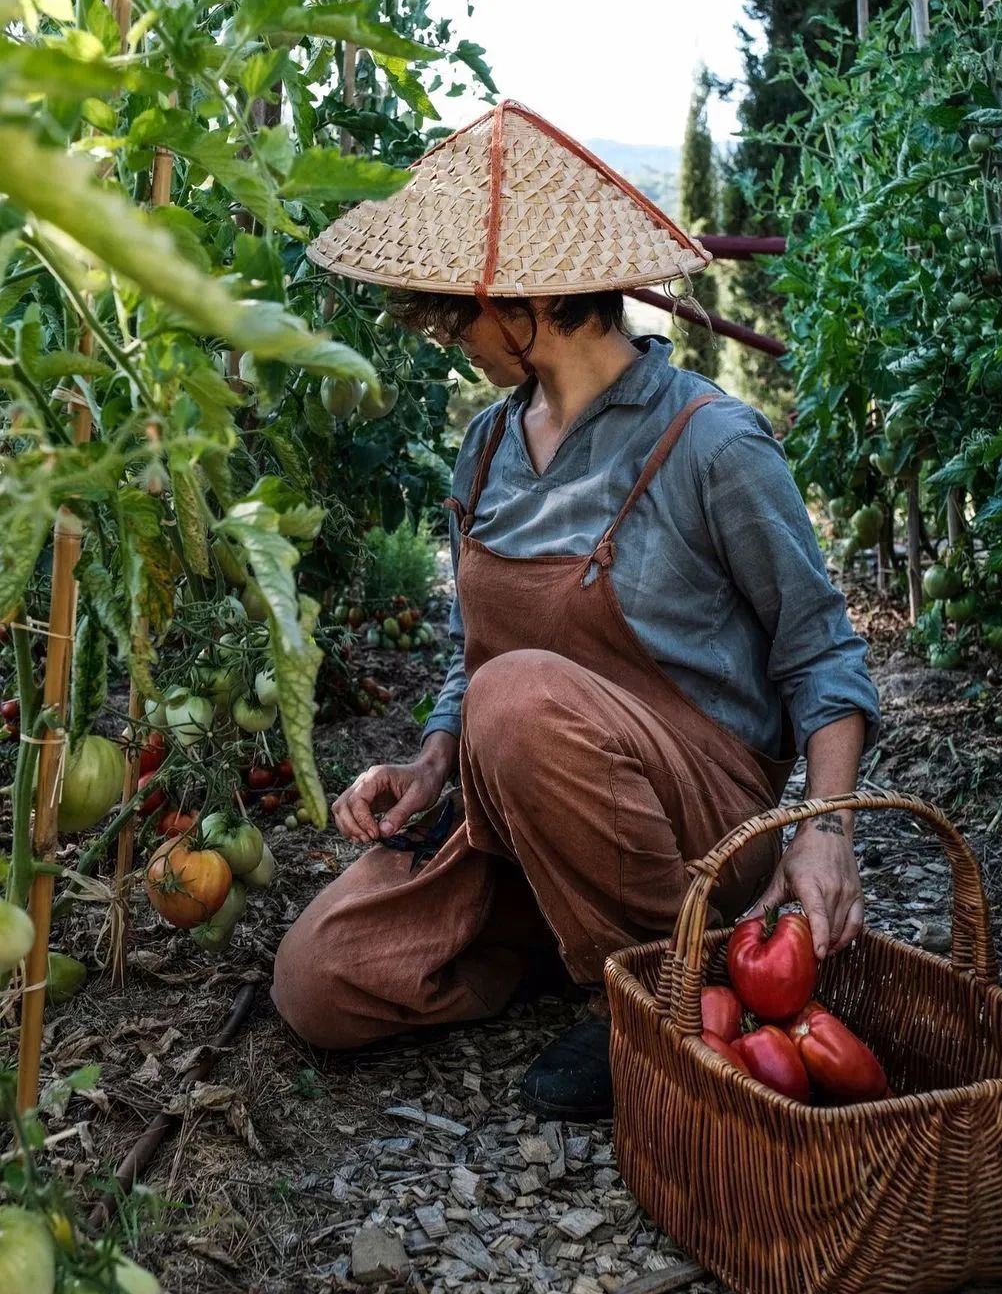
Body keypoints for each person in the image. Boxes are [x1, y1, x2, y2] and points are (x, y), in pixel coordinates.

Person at [272, 100, 880, 1119]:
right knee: (321, 978)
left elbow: (822, 652)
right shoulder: (489, 450)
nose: (451, 342)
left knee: (517, 703)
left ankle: (661, 987)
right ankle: (575, 944)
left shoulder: (710, 442)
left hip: (693, 814)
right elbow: (478, 660)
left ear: (529, 304)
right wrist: (428, 764)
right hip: (529, 801)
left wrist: (825, 829)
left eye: (457, 317)